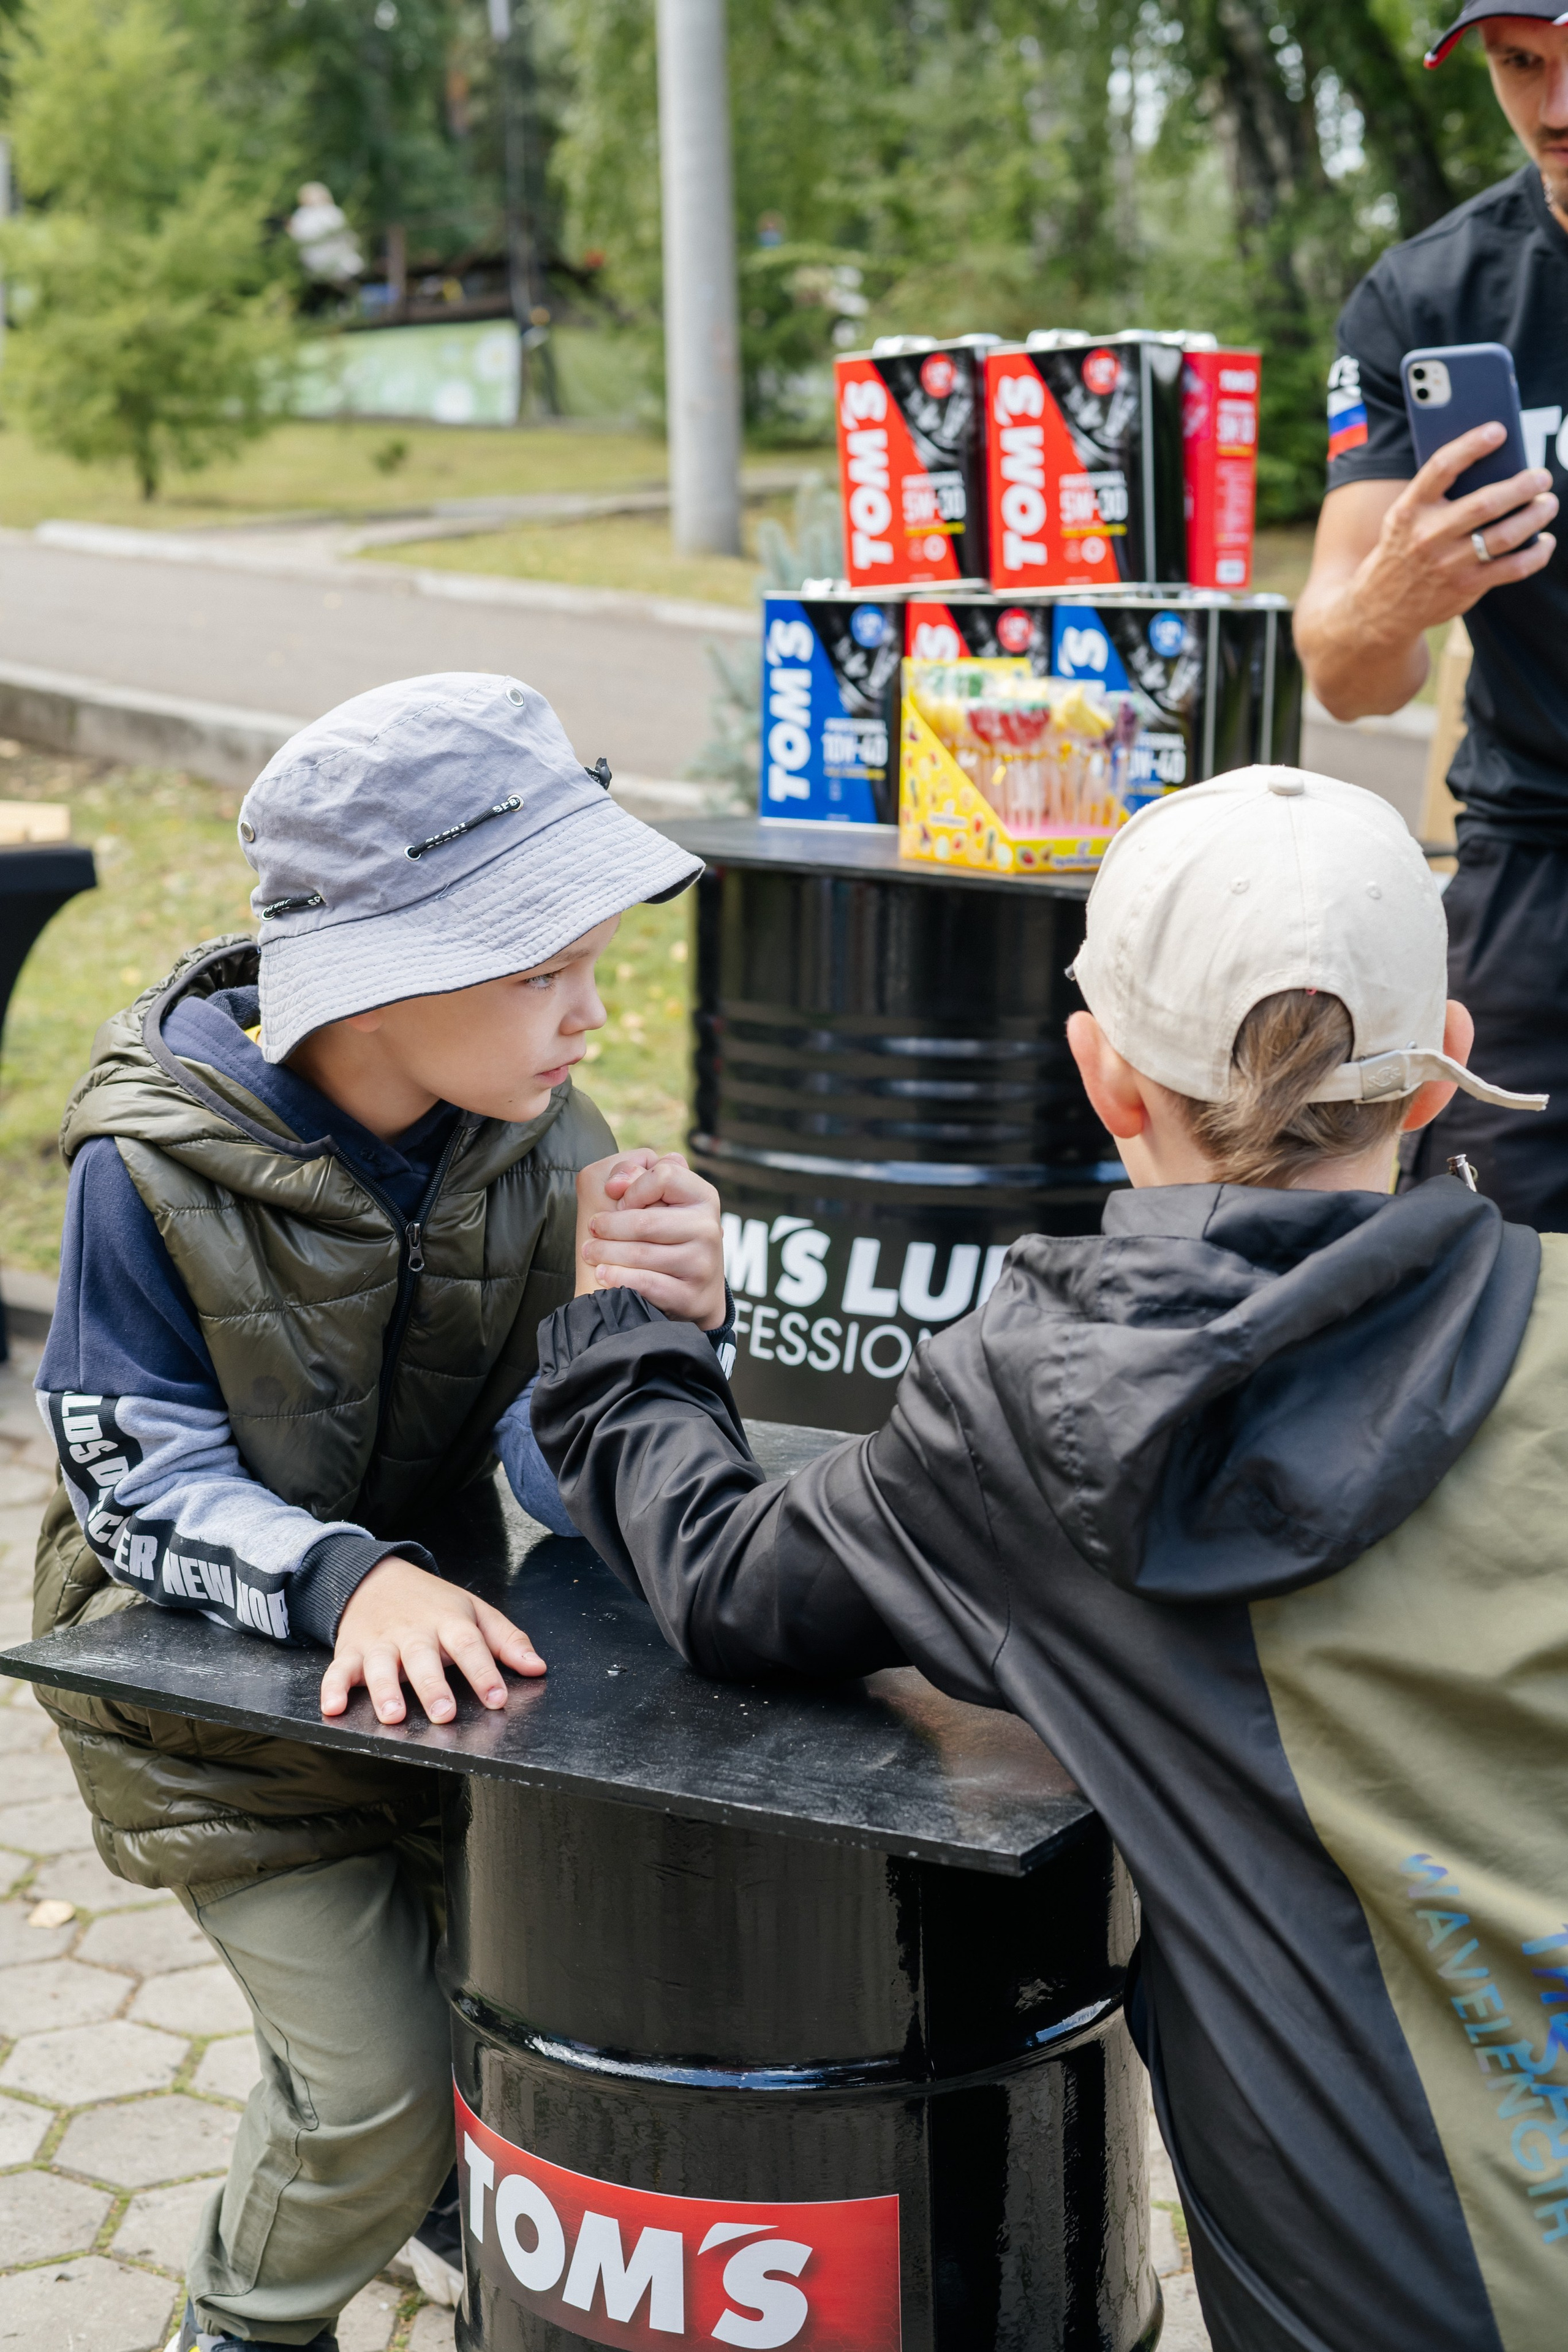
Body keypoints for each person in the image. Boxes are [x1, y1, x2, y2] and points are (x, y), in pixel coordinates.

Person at [533, 766, 1568, 2352]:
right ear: (1443, 1077)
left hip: (1415, 2286)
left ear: (1103, 1075)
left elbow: (734, 1582)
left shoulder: (1038, 1417)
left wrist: (624, 1339)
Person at [30, 673, 726, 2352]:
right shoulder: (153, 1169)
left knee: (503, 2038)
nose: (589, 1018)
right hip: (209, 1720)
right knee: (369, 2092)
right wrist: (350, 1582)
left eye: (592, 967)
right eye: (546, 969)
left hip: (441, 1703)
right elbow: (131, 1479)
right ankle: (246, 2322)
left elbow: (559, 1489)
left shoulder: (543, 1140)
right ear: (387, 976)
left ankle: (424, 2201)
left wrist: (641, 1340)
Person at [1294, 1, 1568, 1228]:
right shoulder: (1425, 297)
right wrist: (1401, 590)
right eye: (1521, 67)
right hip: (1530, 864)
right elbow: (1346, 679)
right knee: (1492, 1283)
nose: (1553, 112)